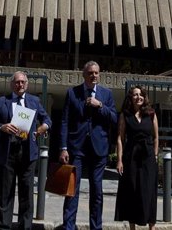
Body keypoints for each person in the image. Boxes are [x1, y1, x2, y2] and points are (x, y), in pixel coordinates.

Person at [0, 71, 52, 230]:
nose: (20, 85)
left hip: (28, 153)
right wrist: (1, 127)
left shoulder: (34, 101)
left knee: (27, 193)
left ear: (27, 84)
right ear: (11, 84)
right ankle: (4, 226)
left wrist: (43, 128)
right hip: (7, 152)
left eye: (23, 82)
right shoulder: (1, 101)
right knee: (5, 192)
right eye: (17, 82)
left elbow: (47, 119)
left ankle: (26, 227)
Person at [59, 61, 117, 230]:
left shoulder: (106, 94)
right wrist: (63, 147)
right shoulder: (72, 93)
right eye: (90, 73)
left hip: (99, 149)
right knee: (72, 190)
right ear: (84, 75)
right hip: (76, 148)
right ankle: (69, 226)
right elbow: (64, 121)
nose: (94, 76)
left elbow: (114, 118)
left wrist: (100, 105)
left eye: (96, 73)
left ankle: (96, 227)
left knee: (97, 191)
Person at [114, 86, 159, 230]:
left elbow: (156, 137)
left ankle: (151, 227)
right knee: (132, 190)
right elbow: (120, 138)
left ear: (144, 97)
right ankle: (132, 227)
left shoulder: (151, 114)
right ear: (130, 98)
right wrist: (119, 160)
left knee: (149, 191)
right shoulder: (125, 115)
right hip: (131, 157)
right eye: (135, 95)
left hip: (148, 157)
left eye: (141, 94)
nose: (138, 97)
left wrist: (156, 154)